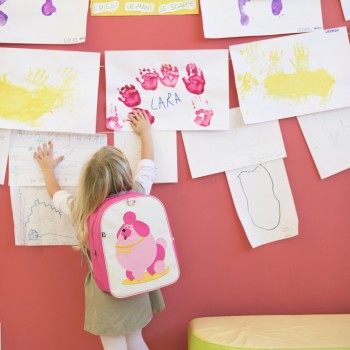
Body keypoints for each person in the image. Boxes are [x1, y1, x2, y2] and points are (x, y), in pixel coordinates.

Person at [34, 109, 165, 350]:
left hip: (106, 294)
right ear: (125, 174)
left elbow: (56, 195)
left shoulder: (83, 210)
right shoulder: (137, 194)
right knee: (136, 339)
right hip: (136, 283)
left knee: (114, 346)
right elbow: (148, 167)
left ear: (87, 183)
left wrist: (47, 170)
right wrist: (145, 132)